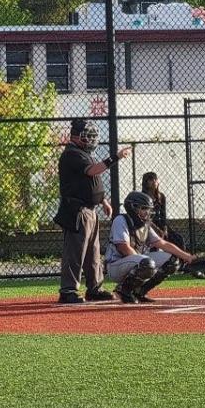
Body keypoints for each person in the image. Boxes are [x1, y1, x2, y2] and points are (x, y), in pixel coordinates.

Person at [53, 119, 131, 304]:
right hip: (77, 210)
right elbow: (93, 171)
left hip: (90, 210)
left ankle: (95, 288)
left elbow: (89, 182)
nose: (91, 139)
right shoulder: (72, 154)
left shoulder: (83, 153)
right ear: (75, 136)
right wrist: (116, 157)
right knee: (75, 251)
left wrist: (103, 201)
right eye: (87, 136)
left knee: (93, 252)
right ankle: (68, 290)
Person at [106, 192, 205, 303]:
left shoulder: (145, 224)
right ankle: (123, 290)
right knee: (147, 263)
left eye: (148, 209)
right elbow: (123, 247)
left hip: (134, 261)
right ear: (132, 208)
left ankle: (139, 291)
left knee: (173, 260)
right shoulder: (121, 220)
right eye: (144, 208)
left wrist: (188, 257)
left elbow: (162, 243)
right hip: (116, 265)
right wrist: (144, 264)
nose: (147, 212)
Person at [141, 171, 205, 278]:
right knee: (155, 244)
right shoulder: (143, 197)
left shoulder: (161, 197)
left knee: (178, 239)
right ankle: (154, 268)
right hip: (149, 226)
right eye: (150, 180)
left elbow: (163, 215)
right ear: (145, 182)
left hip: (160, 225)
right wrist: (157, 230)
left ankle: (185, 264)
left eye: (155, 179)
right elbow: (145, 218)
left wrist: (164, 228)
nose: (153, 182)